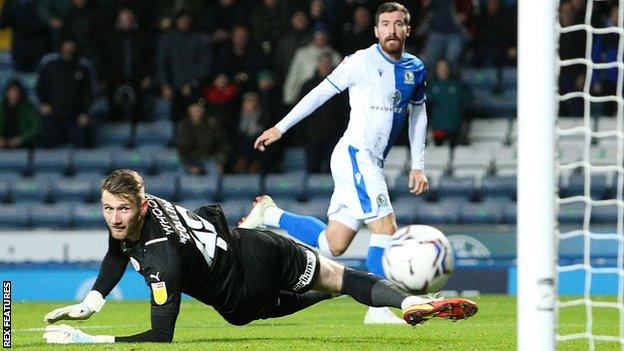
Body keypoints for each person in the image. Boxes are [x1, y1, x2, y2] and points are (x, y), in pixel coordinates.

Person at [42, 169, 477, 344]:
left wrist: (92, 340)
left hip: (244, 295)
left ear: (140, 208)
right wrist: (93, 301)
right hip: (259, 245)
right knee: (341, 277)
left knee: (286, 301)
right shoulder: (144, 204)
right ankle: (408, 301)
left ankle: (345, 294)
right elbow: (118, 250)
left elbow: (161, 338)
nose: (115, 219)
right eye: (108, 209)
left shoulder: (161, 261)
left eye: (122, 209)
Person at [244, 2, 430, 324]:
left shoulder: (416, 68)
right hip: (356, 155)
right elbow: (319, 94)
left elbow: (419, 115)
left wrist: (419, 164)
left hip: (369, 161)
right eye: (385, 24)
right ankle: (378, 308)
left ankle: (269, 213)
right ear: (376, 30)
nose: (392, 30)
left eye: (399, 24)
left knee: (334, 244)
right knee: (386, 226)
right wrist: (280, 127)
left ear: (408, 30)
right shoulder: (360, 62)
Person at [0, 79, 41, 149]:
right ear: (6, 92)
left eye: (15, 90)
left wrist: (21, 139)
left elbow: (35, 127)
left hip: (24, 143)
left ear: (20, 92)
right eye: (10, 90)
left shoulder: (29, 108)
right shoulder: (1, 107)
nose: (13, 93)